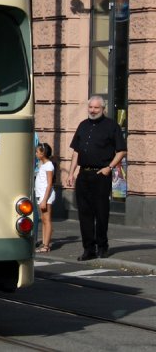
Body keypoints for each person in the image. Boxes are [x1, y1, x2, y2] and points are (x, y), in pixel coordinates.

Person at [68, 96, 127, 261]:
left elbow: (121, 150)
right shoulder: (83, 125)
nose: (93, 110)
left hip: (101, 174)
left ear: (103, 109)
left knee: (101, 212)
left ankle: (102, 246)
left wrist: (109, 168)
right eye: (91, 107)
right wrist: (71, 173)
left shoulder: (111, 126)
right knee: (84, 213)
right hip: (83, 174)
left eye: (96, 108)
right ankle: (88, 249)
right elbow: (76, 152)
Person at [34, 143, 56, 254]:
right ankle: (44, 243)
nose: (36, 154)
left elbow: (49, 183)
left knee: (47, 220)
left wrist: (44, 200)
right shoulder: (42, 165)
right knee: (43, 220)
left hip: (45, 197)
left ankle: (46, 246)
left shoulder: (49, 165)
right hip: (41, 196)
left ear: (43, 153)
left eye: (37, 152)